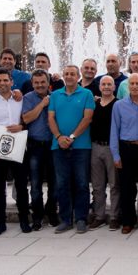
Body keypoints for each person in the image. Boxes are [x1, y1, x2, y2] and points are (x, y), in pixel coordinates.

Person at [0, 68, 30, 236]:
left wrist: (21, 126)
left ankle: (24, 220)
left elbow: (27, 119)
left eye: (5, 80)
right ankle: (0, 223)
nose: (2, 83)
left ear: (11, 82)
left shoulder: (20, 99)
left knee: (22, 186)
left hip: (18, 147)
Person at [48, 65, 95, 234]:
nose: (69, 76)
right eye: (66, 74)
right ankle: (66, 219)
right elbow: (51, 118)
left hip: (81, 146)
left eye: (72, 74)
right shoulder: (55, 95)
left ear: (78, 76)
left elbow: (87, 118)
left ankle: (81, 218)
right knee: (62, 184)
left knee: (82, 183)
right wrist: (59, 137)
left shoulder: (87, 94)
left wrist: (72, 137)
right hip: (58, 146)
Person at [111, 73, 138, 234]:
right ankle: (128, 221)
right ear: (127, 86)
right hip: (126, 149)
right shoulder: (119, 105)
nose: (135, 86)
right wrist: (116, 155)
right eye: (132, 83)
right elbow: (114, 130)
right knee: (127, 188)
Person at [21, 69, 60, 231]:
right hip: (35, 145)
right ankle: (37, 216)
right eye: (36, 83)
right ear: (32, 83)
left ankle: (51, 212)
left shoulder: (56, 96)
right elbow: (26, 118)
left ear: (48, 82)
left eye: (42, 82)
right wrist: (42, 104)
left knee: (54, 183)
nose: (39, 85)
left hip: (53, 145)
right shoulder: (27, 98)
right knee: (35, 184)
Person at [89, 75, 121, 231]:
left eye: (109, 84)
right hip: (95, 147)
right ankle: (99, 216)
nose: (107, 87)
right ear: (100, 87)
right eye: (104, 84)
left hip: (112, 148)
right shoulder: (94, 104)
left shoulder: (118, 104)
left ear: (114, 87)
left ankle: (114, 216)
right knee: (97, 185)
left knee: (115, 184)